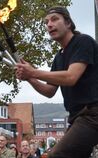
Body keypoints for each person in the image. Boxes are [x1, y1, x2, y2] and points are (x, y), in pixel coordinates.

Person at [15, 6, 98, 158]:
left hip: (93, 114)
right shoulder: (58, 57)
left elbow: (71, 77)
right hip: (77, 117)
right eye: (46, 22)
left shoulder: (83, 41)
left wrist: (33, 71)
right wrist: (30, 78)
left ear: (68, 23)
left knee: (56, 155)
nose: (49, 24)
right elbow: (49, 91)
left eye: (54, 19)